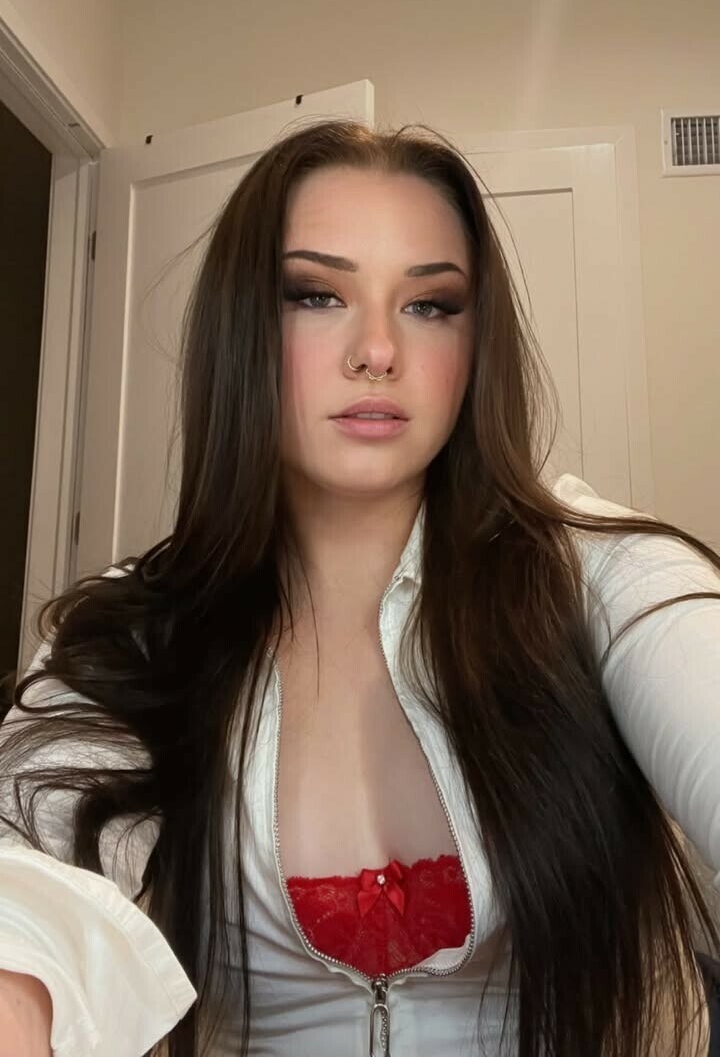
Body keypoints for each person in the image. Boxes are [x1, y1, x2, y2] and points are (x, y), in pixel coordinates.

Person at [0, 119, 718, 1057]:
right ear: (239, 330)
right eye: (316, 295)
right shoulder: (133, 627)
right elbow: (25, 875)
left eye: (430, 306)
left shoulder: (602, 575)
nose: (378, 350)